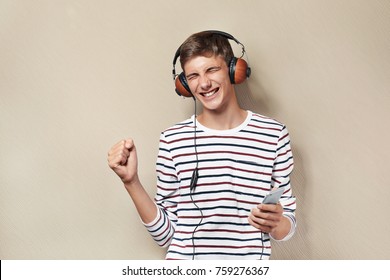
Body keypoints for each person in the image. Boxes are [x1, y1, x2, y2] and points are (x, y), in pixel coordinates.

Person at [107, 30, 296, 260]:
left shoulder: (273, 134)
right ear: (184, 84)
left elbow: (287, 226)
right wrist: (131, 182)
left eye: (212, 70)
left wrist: (276, 223)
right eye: (193, 76)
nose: (204, 83)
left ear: (233, 71)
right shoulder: (172, 140)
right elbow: (166, 237)